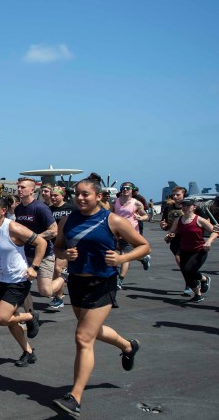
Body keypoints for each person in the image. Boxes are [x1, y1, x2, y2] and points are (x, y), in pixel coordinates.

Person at [52, 173, 150, 417]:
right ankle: (128, 346)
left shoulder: (112, 220)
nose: (81, 198)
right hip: (76, 282)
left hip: (102, 282)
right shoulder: (68, 220)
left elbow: (143, 246)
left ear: (99, 196)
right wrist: (66, 254)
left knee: (83, 337)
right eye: (78, 194)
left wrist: (122, 258)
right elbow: (58, 246)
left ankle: (75, 396)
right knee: (92, 331)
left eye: (86, 194)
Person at [0, 197, 46, 366]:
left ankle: (30, 316)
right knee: (10, 320)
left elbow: (41, 242)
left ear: (3, 211)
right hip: (0, 280)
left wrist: (34, 267)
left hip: (18, 280)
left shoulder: (12, 227)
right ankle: (28, 352)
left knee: (1, 317)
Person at [14, 178, 63, 313]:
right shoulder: (18, 209)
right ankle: (30, 315)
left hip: (44, 254)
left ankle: (65, 277)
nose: (19, 189)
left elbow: (54, 230)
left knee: (45, 291)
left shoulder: (40, 208)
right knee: (21, 287)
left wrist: (34, 239)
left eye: (23, 187)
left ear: (32, 190)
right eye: (19, 187)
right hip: (24, 254)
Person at [166, 197, 217, 303]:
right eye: (183, 205)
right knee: (186, 273)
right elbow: (170, 234)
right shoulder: (178, 220)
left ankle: (204, 279)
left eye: (187, 205)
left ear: (194, 207)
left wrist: (209, 242)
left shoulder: (200, 220)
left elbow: (215, 231)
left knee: (189, 270)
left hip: (199, 251)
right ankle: (198, 294)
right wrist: (169, 236)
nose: (184, 207)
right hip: (184, 250)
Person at [110, 182, 151, 290]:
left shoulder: (136, 203)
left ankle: (120, 280)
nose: (125, 190)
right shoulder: (115, 201)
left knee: (125, 255)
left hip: (130, 232)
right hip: (116, 232)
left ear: (132, 190)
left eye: (127, 188)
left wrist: (140, 218)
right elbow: (110, 213)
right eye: (123, 188)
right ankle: (143, 258)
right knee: (117, 252)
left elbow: (146, 215)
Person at [48, 186, 76, 309]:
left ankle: (58, 297)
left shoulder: (72, 209)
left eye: (56, 195)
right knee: (57, 270)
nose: (53, 197)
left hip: (68, 244)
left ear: (62, 196)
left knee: (58, 268)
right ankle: (59, 296)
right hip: (54, 244)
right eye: (52, 195)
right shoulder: (48, 210)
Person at [161, 186, 192, 295]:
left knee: (183, 262)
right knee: (182, 262)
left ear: (184, 195)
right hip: (174, 238)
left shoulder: (191, 207)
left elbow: (203, 219)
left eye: (178, 194)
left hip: (188, 237)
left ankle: (190, 283)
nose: (175, 196)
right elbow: (164, 223)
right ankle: (199, 280)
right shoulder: (168, 207)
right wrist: (163, 225)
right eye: (174, 194)